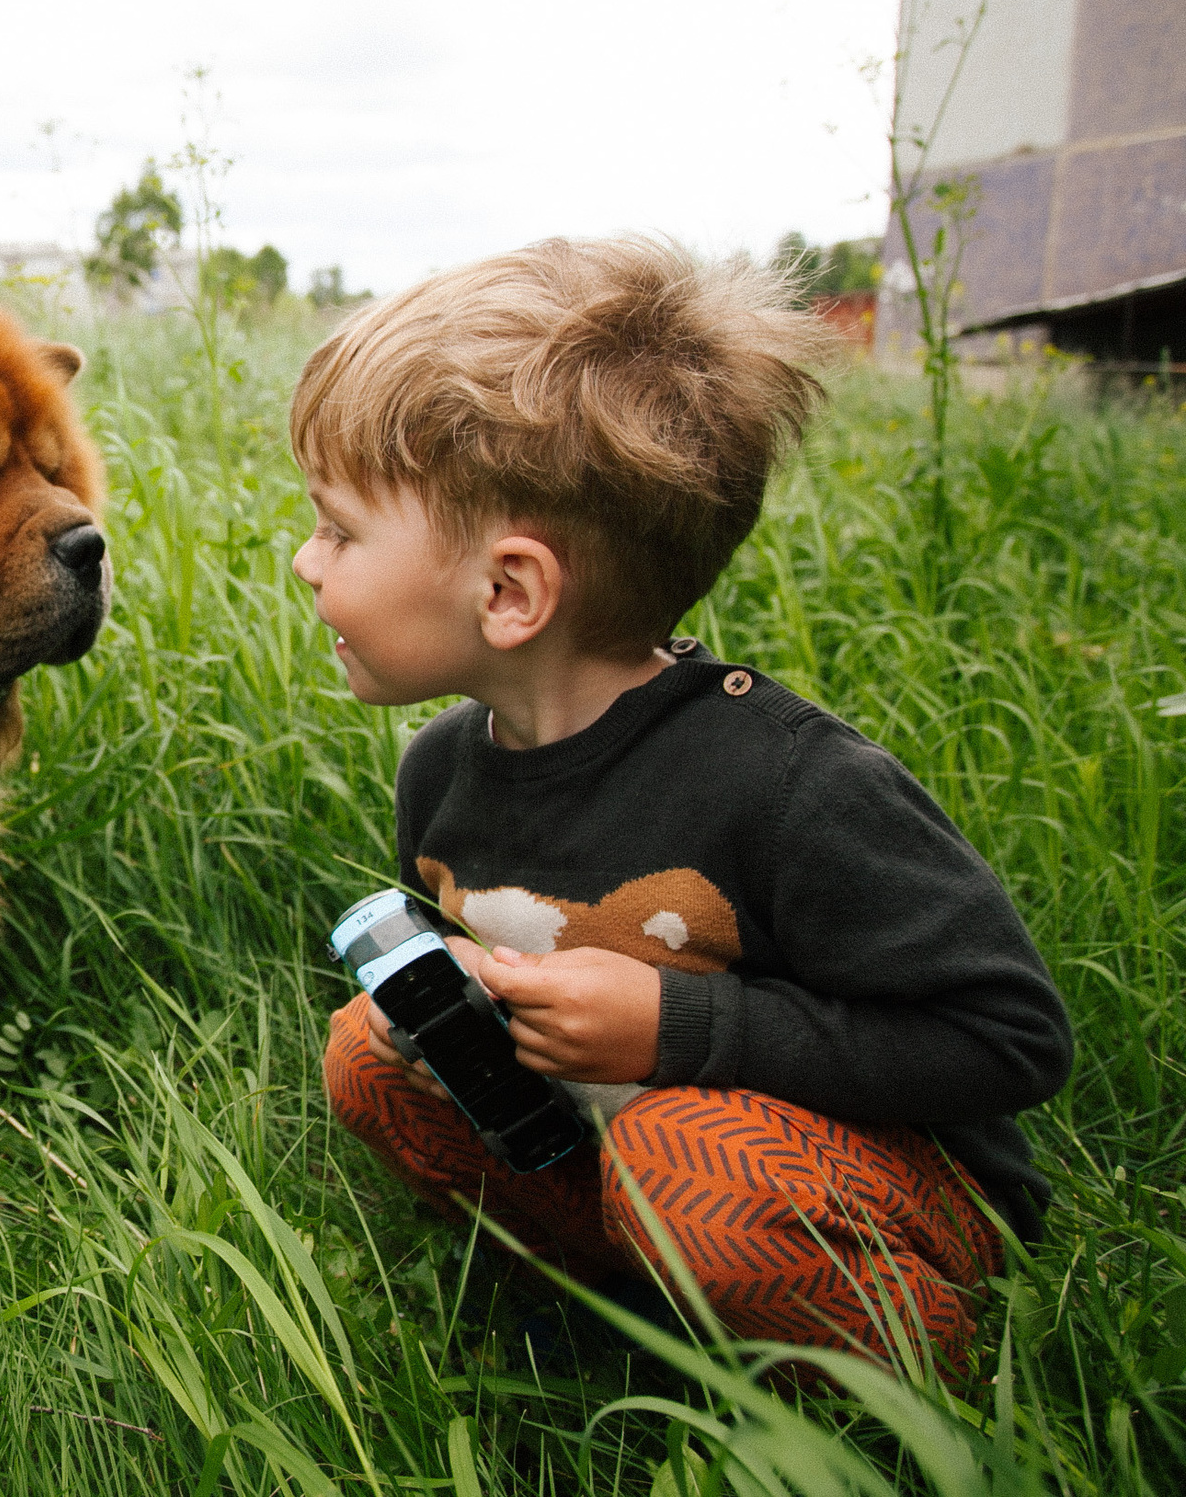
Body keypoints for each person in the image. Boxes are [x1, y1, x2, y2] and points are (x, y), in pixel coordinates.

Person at [292, 236, 1070, 1379]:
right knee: (371, 1052)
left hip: (879, 1191)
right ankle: (618, 1301)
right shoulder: (441, 770)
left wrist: (683, 1030)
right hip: (621, 1147)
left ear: (509, 592)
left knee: (678, 1156)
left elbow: (1009, 1038)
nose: (307, 564)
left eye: (338, 529)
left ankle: (903, 1352)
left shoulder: (792, 788)